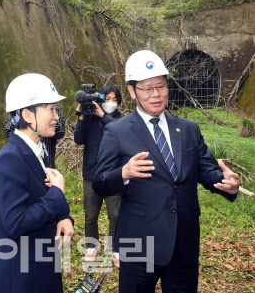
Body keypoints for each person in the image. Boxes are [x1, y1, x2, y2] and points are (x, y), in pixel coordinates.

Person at [93, 50, 240, 293]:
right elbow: (99, 182)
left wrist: (226, 182)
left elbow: (207, 170)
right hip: (139, 243)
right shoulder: (117, 132)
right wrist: (124, 173)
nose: (156, 95)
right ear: (132, 91)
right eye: (147, 88)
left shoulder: (188, 129)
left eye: (161, 86)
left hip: (183, 241)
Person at [0, 73, 74, 293]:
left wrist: (63, 215)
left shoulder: (36, 149)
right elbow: (15, 222)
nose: (57, 116)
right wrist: (57, 195)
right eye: (50, 109)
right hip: (20, 278)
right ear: (27, 114)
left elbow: (38, 198)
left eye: (56, 109)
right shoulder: (10, 158)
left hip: (38, 266)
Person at [73, 85, 123, 266]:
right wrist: (81, 117)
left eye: (114, 100)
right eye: (107, 99)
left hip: (113, 174)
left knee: (116, 215)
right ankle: (92, 247)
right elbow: (78, 139)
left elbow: (120, 131)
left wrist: (103, 116)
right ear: (100, 101)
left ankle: (114, 248)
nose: (111, 103)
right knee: (90, 215)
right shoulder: (89, 117)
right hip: (91, 174)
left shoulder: (118, 119)